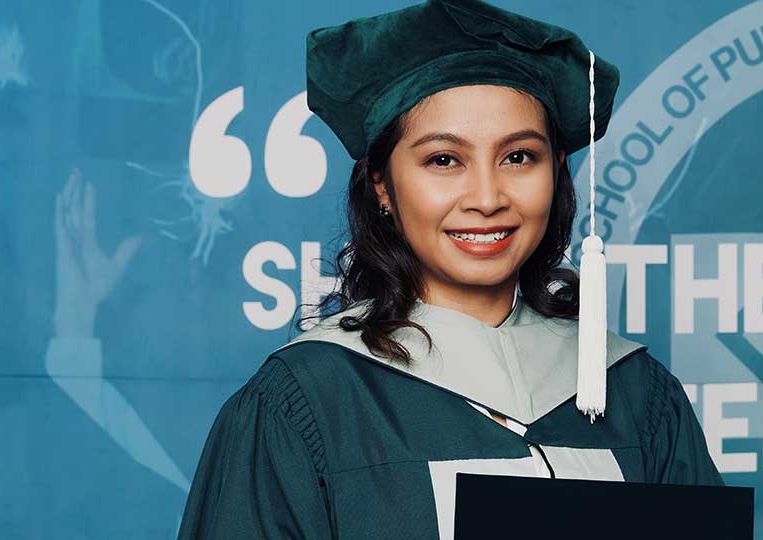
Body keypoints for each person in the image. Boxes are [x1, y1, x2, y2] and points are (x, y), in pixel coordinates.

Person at [177, 1, 724, 538]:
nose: (486, 198)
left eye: (519, 157)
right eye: (443, 160)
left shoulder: (635, 393)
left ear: (557, 173)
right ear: (382, 185)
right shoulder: (306, 405)